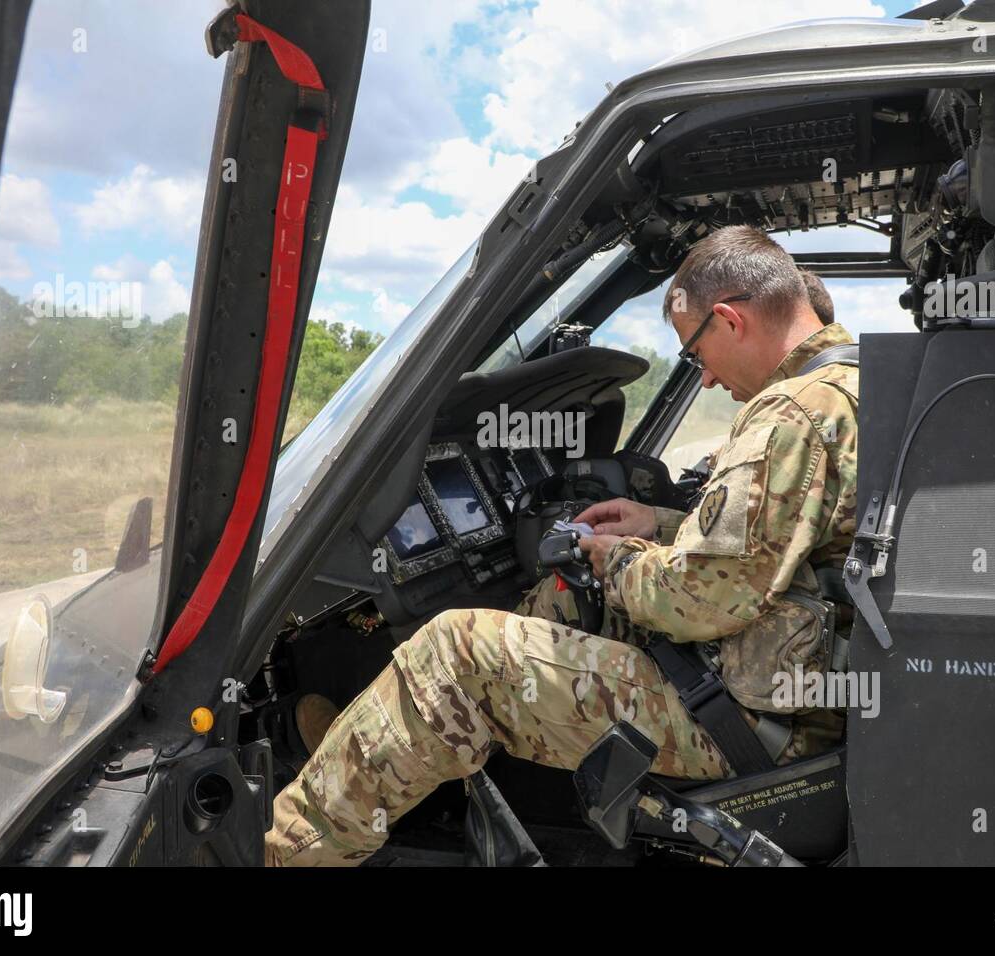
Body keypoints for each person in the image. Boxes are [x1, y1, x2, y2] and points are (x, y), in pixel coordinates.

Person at [265, 224, 859, 866]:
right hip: (791, 691)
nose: (706, 380)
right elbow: (786, 555)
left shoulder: (791, 416)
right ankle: (399, 759)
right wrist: (654, 524)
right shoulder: (848, 383)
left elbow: (695, 602)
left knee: (452, 653)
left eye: (694, 353)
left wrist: (615, 559)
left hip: (759, 725)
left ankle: (291, 851)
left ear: (728, 319)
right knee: (562, 599)